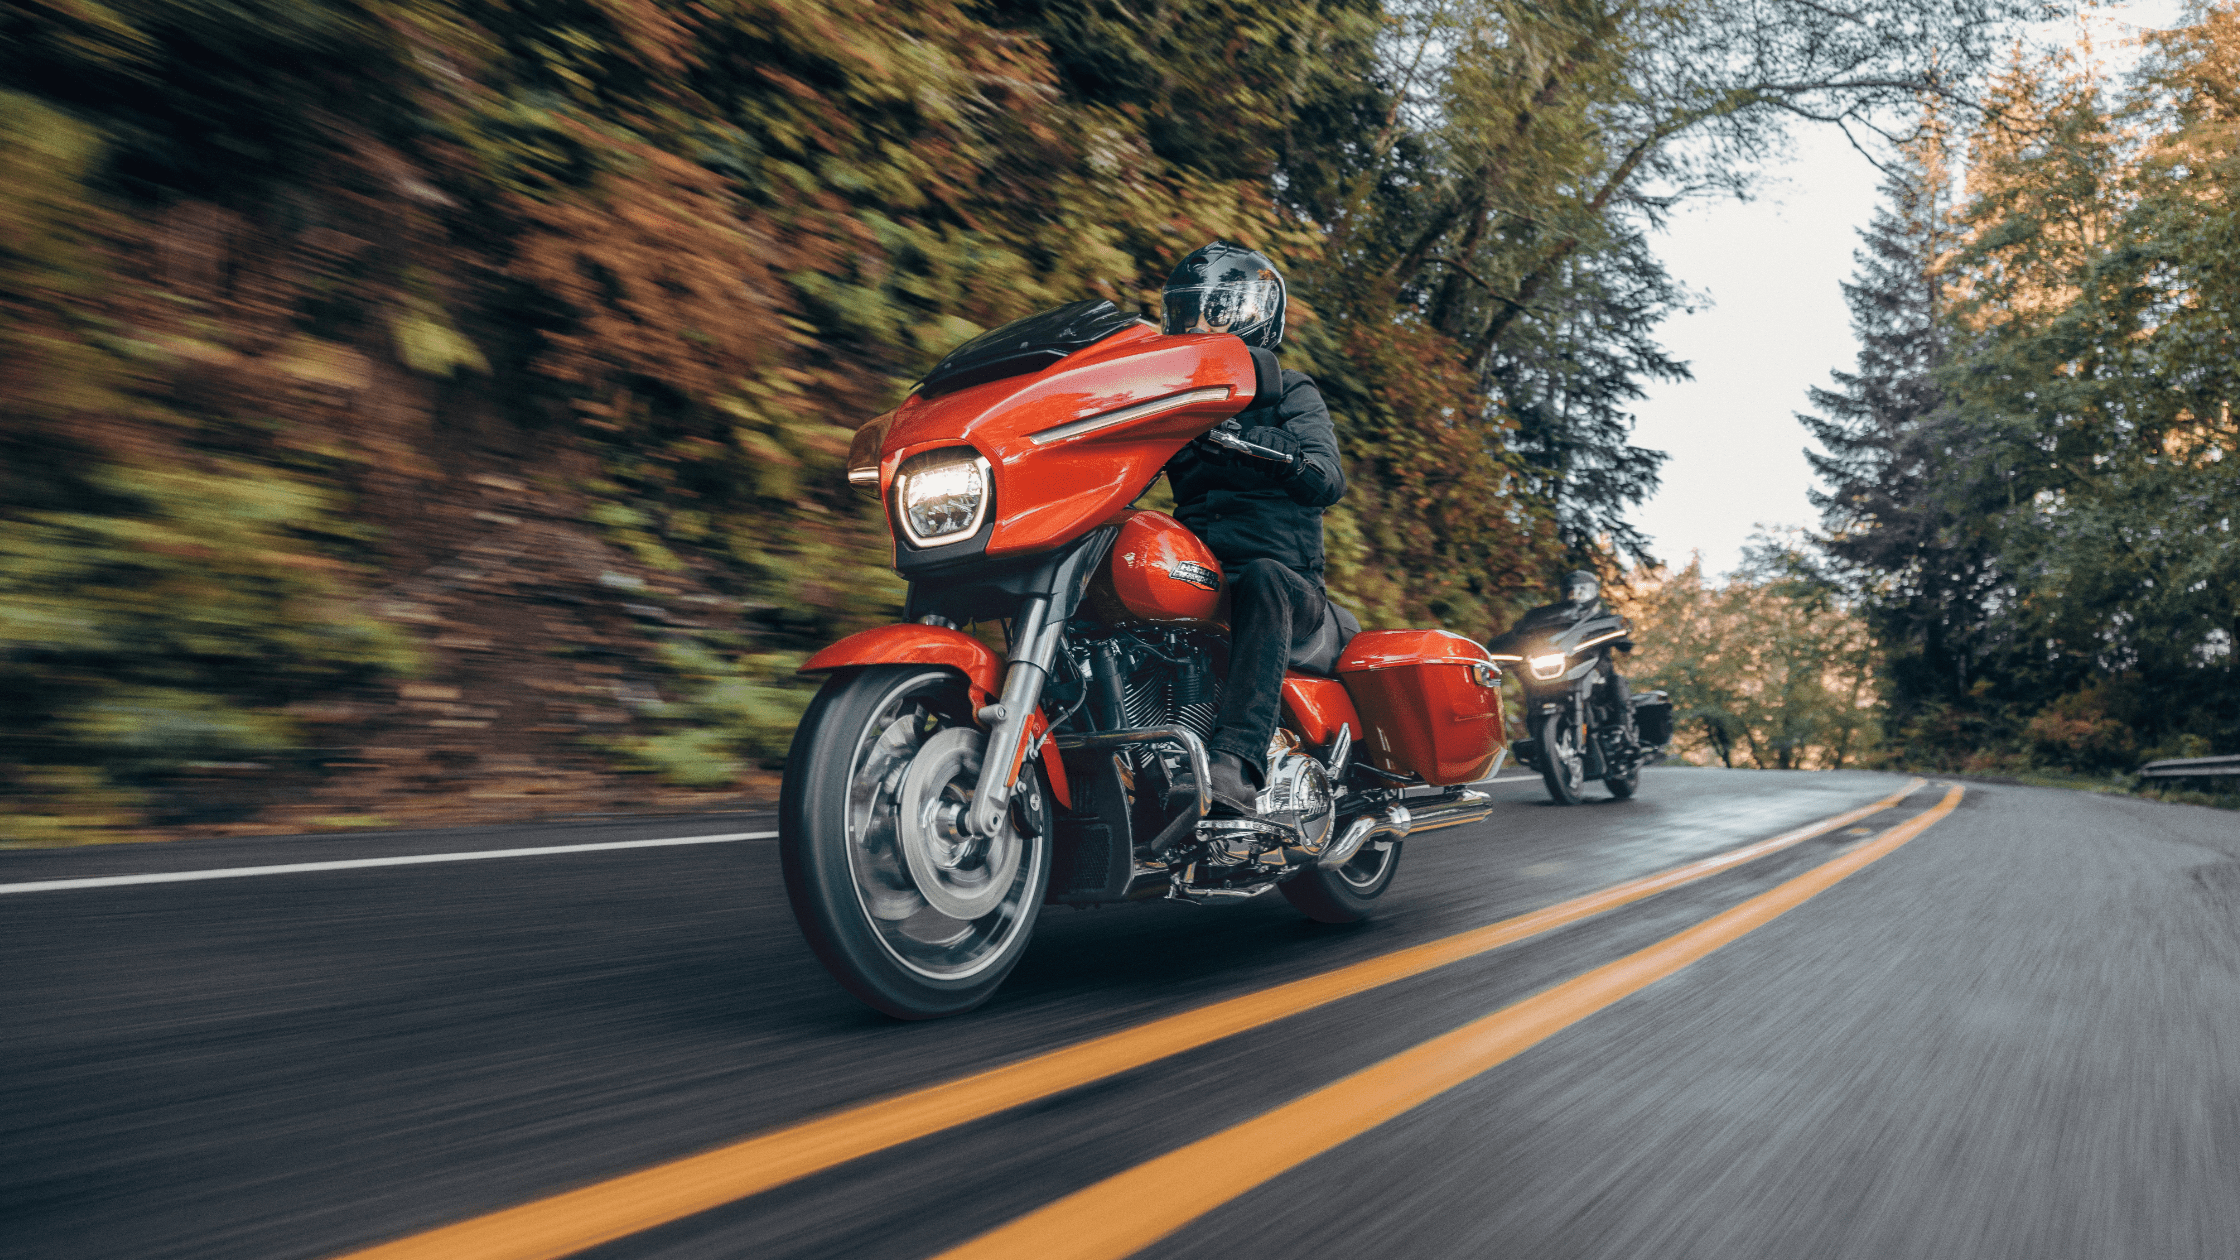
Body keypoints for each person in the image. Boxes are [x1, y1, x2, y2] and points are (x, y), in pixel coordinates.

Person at [1158, 240, 1351, 816]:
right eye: (1182, 311)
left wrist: (1265, 448)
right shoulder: (1177, 405)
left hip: (1289, 588)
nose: (1191, 324)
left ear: (1247, 313)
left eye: (1205, 311)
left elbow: (1327, 476)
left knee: (1263, 579)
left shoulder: (1290, 391)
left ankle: (1236, 762)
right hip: (1204, 577)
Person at [1490, 570, 1635, 716]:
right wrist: (1505, 646)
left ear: (1594, 591)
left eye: (1583, 590)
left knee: (1617, 682)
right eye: (1572, 591)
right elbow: (1531, 635)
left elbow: (1618, 630)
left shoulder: (1601, 617)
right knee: (1530, 688)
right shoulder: (1557, 618)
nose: (1577, 595)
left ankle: (1621, 727)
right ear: (1565, 593)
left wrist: (1622, 637)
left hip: (1597, 670)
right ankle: (1537, 729)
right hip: (1564, 669)